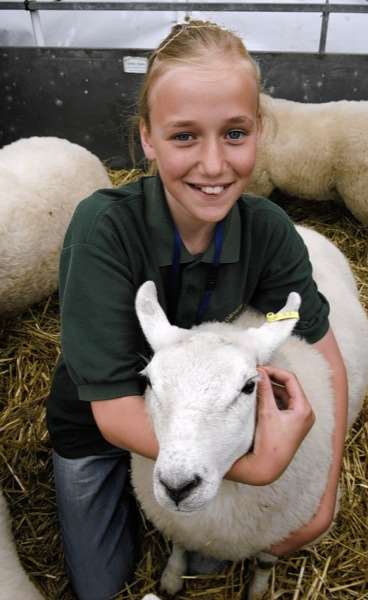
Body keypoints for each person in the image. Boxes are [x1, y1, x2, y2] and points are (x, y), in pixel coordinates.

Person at [46, 20, 348, 600]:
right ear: (148, 139)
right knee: (100, 586)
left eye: (234, 133)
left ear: (260, 131)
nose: (213, 165)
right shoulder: (102, 228)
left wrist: (321, 499)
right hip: (100, 421)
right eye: (185, 136)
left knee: (210, 548)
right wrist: (261, 467)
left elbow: (326, 354)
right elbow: (112, 413)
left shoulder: (268, 229)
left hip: (196, 421)